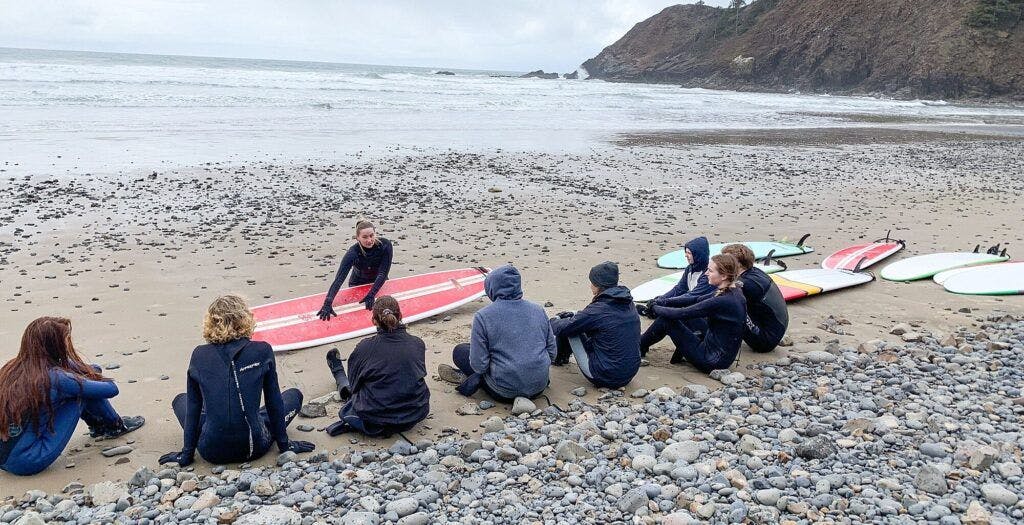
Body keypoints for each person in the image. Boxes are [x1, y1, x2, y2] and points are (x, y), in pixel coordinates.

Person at [159, 295, 313, 467]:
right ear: (245, 319)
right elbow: (273, 401)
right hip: (254, 447)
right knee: (294, 395)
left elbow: (194, 408)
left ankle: (217, 418)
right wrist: (285, 446)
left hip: (211, 451)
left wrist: (186, 454)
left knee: (181, 400)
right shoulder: (262, 350)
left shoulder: (199, 355)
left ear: (211, 322)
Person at [0, 317, 144, 476]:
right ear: (55, 346)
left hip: (5, 457)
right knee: (80, 394)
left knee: (79, 387)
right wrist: (82, 377)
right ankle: (114, 426)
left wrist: (80, 373)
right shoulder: (56, 377)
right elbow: (111, 389)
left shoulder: (12, 368)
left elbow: (93, 369)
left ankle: (101, 427)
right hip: (28, 461)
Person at [437, 265, 555, 402]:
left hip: (503, 391)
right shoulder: (538, 310)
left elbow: (479, 365)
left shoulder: (483, 316)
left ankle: (469, 378)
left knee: (461, 351)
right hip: (539, 386)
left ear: (491, 288)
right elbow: (552, 352)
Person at [323, 296, 430, 437]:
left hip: (377, 417)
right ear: (401, 316)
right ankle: (340, 377)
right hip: (414, 414)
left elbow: (355, 386)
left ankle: (339, 376)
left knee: (353, 393)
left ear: (374, 321)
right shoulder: (417, 344)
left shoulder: (365, 348)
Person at [641, 254, 747, 372]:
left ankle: (639, 346)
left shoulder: (723, 300)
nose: (706, 273)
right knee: (679, 314)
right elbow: (695, 299)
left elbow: (682, 313)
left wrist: (655, 308)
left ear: (723, 276)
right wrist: (662, 301)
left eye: (710, 271)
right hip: (721, 352)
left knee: (666, 321)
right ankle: (643, 344)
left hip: (712, 360)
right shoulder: (733, 289)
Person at [549, 261, 641, 389]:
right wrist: (576, 315)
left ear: (598, 285)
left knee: (570, 328)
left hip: (604, 376)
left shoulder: (598, 309)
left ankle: (559, 357)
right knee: (578, 322)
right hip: (630, 373)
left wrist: (552, 320)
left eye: (592, 282)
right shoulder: (628, 302)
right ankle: (562, 356)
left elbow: (566, 327)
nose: (590, 285)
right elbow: (595, 318)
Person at [639, 235, 715, 356]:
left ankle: (642, 343)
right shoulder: (690, 269)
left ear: (698, 254)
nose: (686, 256)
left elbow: (692, 296)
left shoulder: (709, 274)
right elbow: (679, 289)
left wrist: (664, 303)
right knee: (664, 310)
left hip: (700, 317)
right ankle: (643, 340)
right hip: (690, 310)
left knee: (667, 317)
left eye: (689, 253)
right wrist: (660, 299)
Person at [721, 244, 789, 353]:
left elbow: (718, 298)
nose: (721, 263)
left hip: (765, 340)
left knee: (728, 305)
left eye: (725, 260)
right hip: (775, 330)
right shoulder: (753, 272)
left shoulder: (747, 283)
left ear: (738, 263)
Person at [318, 220, 394, 319]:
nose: (369, 240)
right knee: (360, 315)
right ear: (357, 238)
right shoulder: (353, 253)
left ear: (375, 233)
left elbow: (383, 273)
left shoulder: (385, 245)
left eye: (371, 235)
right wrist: (327, 303)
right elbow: (339, 280)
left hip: (379, 281)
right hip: (358, 284)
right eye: (365, 237)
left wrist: (371, 294)